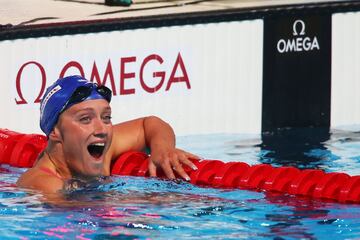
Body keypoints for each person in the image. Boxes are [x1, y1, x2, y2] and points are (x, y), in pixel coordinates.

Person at [17, 75, 199, 194]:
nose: (102, 129)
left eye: (106, 117)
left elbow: (149, 124)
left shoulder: (99, 150)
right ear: (55, 131)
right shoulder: (43, 184)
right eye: (85, 119)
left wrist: (163, 149)